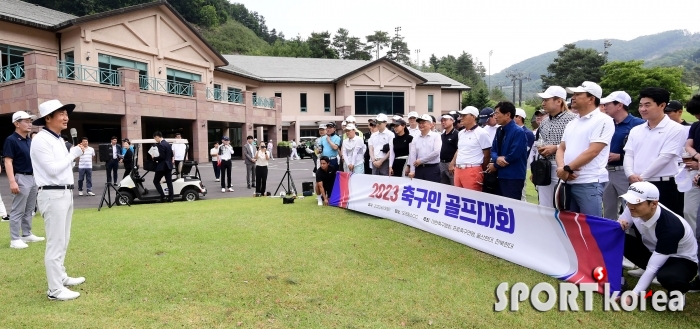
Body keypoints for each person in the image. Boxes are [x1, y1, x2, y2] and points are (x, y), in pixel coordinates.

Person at [30, 99, 87, 301]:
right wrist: (73, 154)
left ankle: (60, 277)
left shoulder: (58, 139)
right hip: (52, 194)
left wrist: (72, 154)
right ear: (48, 118)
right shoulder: (40, 140)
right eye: (61, 114)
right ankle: (54, 290)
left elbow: (63, 169)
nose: (66, 117)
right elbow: (53, 169)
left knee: (64, 239)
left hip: (64, 193)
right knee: (55, 242)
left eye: (66, 113)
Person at [617, 182, 697, 308]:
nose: (630, 206)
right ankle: (618, 280)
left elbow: (653, 267)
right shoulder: (632, 208)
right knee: (618, 239)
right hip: (653, 251)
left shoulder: (671, 227)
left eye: (636, 203)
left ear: (654, 204)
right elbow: (619, 226)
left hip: (681, 259)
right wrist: (620, 225)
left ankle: (679, 292)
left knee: (667, 277)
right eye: (629, 201)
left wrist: (634, 294)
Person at [624, 87, 685, 216]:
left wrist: (642, 178)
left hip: (663, 185)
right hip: (637, 185)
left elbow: (665, 157)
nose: (642, 109)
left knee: (666, 225)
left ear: (662, 105)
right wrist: (630, 174)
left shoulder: (676, 129)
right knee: (636, 225)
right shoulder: (636, 130)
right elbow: (629, 153)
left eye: (647, 105)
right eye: (640, 105)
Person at [556, 81, 614, 216]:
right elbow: (561, 148)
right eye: (573, 94)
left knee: (591, 227)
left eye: (578, 94)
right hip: (569, 181)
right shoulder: (572, 122)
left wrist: (567, 169)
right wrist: (562, 168)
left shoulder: (603, 120)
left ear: (591, 98)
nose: (573, 97)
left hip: (589, 182)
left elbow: (593, 151)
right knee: (571, 227)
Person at [600, 91, 645, 220]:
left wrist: (620, 156)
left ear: (619, 105)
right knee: (608, 210)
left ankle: (630, 238)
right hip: (606, 172)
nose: (604, 107)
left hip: (625, 173)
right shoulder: (607, 123)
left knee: (630, 209)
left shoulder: (638, 124)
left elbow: (642, 151)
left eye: (607, 104)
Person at [4, 110, 43, 249]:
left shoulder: (29, 140)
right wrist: (12, 181)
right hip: (20, 176)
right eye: (26, 121)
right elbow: (8, 161)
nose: (30, 123)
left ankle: (26, 234)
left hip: (33, 178)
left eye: (30, 121)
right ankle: (15, 239)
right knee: (17, 209)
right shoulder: (11, 140)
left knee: (29, 208)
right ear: (16, 123)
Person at [535, 86, 578, 208]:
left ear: (559, 101)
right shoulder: (544, 121)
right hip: (545, 166)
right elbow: (541, 141)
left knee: (562, 205)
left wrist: (556, 147)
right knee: (544, 205)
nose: (543, 103)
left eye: (546, 100)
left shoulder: (573, 119)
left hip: (564, 166)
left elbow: (578, 143)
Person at [487, 101, 528, 200]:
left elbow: (514, 154)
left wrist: (495, 165)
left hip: (513, 176)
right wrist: (497, 158)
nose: (495, 116)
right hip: (500, 175)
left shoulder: (518, 132)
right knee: (500, 206)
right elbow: (493, 150)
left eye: (497, 113)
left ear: (508, 115)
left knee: (512, 207)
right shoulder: (499, 130)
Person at [450, 106, 491, 191]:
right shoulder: (461, 133)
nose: (460, 118)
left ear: (473, 116)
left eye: (464, 115)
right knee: (458, 198)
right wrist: (452, 162)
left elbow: (487, 155)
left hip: (473, 170)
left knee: (472, 199)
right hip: (458, 169)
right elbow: (459, 149)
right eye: (460, 115)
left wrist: (479, 169)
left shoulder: (482, 133)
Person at [408, 114, 442, 182]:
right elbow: (413, 154)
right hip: (419, 169)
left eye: (423, 122)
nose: (421, 125)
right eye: (419, 123)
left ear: (430, 124)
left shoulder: (436, 136)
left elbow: (436, 152)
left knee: (432, 189)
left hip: (432, 169)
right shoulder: (415, 138)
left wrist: (421, 160)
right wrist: (412, 170)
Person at [151, 131, 174, 203]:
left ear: (157, 137)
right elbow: (171, 155)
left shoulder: (161, 145)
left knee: (156, 181)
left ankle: (163, 196)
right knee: (169, 182)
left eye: (155, 139)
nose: (155, 140)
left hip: (162, 166)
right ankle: (171, 197)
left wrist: (154, 158)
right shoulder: (168, 144)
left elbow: (162, 157)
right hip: (169, 165)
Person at [439, 114, 459, 185]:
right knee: (444, 186)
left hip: (451, 163)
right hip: (441, 163)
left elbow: (458, 149)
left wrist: (452, 163)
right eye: (442, 121)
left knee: (453, 185)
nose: (443, 122)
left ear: (452, 121)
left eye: (445, 120)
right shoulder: (442, 135)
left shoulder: (457, 134)